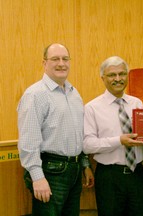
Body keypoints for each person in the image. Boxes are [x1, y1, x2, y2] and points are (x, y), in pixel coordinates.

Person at [17, 43, 94, 216]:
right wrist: (37, 177)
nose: (61, 63)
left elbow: (78, 134)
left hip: (74, 171)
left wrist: (85, 165)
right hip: (50, 172)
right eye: (55, 59)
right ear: (44, 63)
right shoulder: (35, 95)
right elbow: (28, 142)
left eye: (65, 59)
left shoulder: (74, 93)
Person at [83, 56, 143, 216]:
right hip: (109, 177)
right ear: (103, 78)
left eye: (122, 74)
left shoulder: (137, 103)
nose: (118, 79)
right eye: (112, 75)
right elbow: (87, 145)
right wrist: (119, 140)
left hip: (137, 174)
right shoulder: (92, 108)